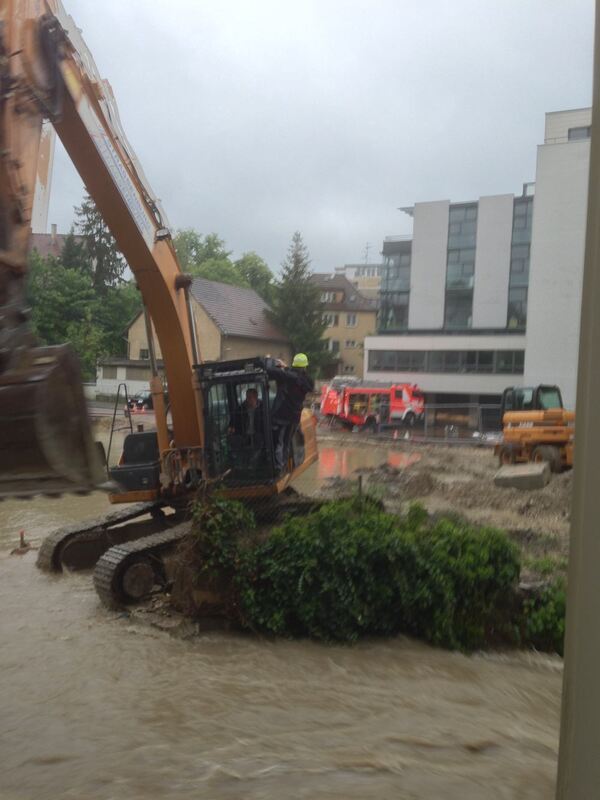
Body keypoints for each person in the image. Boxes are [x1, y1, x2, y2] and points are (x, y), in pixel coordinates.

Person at [267, 353, 314, 472]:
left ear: (294, 364)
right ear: (305, 367)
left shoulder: (287, 376)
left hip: (281, 416)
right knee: (286, 443)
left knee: (278, 443)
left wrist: (268, 360)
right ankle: (283, 467)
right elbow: (299, 377)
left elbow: (270, 371)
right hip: (294, 417)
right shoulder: (306, 381)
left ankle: (278, 468)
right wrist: (286, 368)